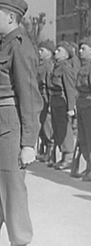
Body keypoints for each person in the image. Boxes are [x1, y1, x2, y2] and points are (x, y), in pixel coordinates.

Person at [0, 0, 42, 246]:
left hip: (9, 120)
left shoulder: (20, 46)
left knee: (12, 188)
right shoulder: (3, 44)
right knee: (0, 187)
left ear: (11, 17)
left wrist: (29, 141)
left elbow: (30, 95)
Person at [48, 41, 77, 170]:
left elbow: (69, 88)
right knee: (58, 129)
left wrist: (71, 107)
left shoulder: (65, 67)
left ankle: (69, 156)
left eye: (59, 51)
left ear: (66, 55)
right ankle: (64, 156)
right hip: (55, 101)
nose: (55, 52)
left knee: (65, 130)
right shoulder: (56, 66)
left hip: (62, 101)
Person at [36, 40, 55, 162]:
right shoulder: (39, 65)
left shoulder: (49, 66)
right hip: (38, 97)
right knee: (41, 125)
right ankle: (43, 148)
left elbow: (49, 85)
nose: (39, 52)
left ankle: (50, 150)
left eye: (42, 50)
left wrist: (49, 104)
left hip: (45, 97)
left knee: (47, 126)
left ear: (49, 53)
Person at [76, 37, 91, 181]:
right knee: (83, 138)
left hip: (89, 104)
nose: (80, 51)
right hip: (81, 104)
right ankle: (88, 166)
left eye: (84, 49)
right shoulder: (81, 67)